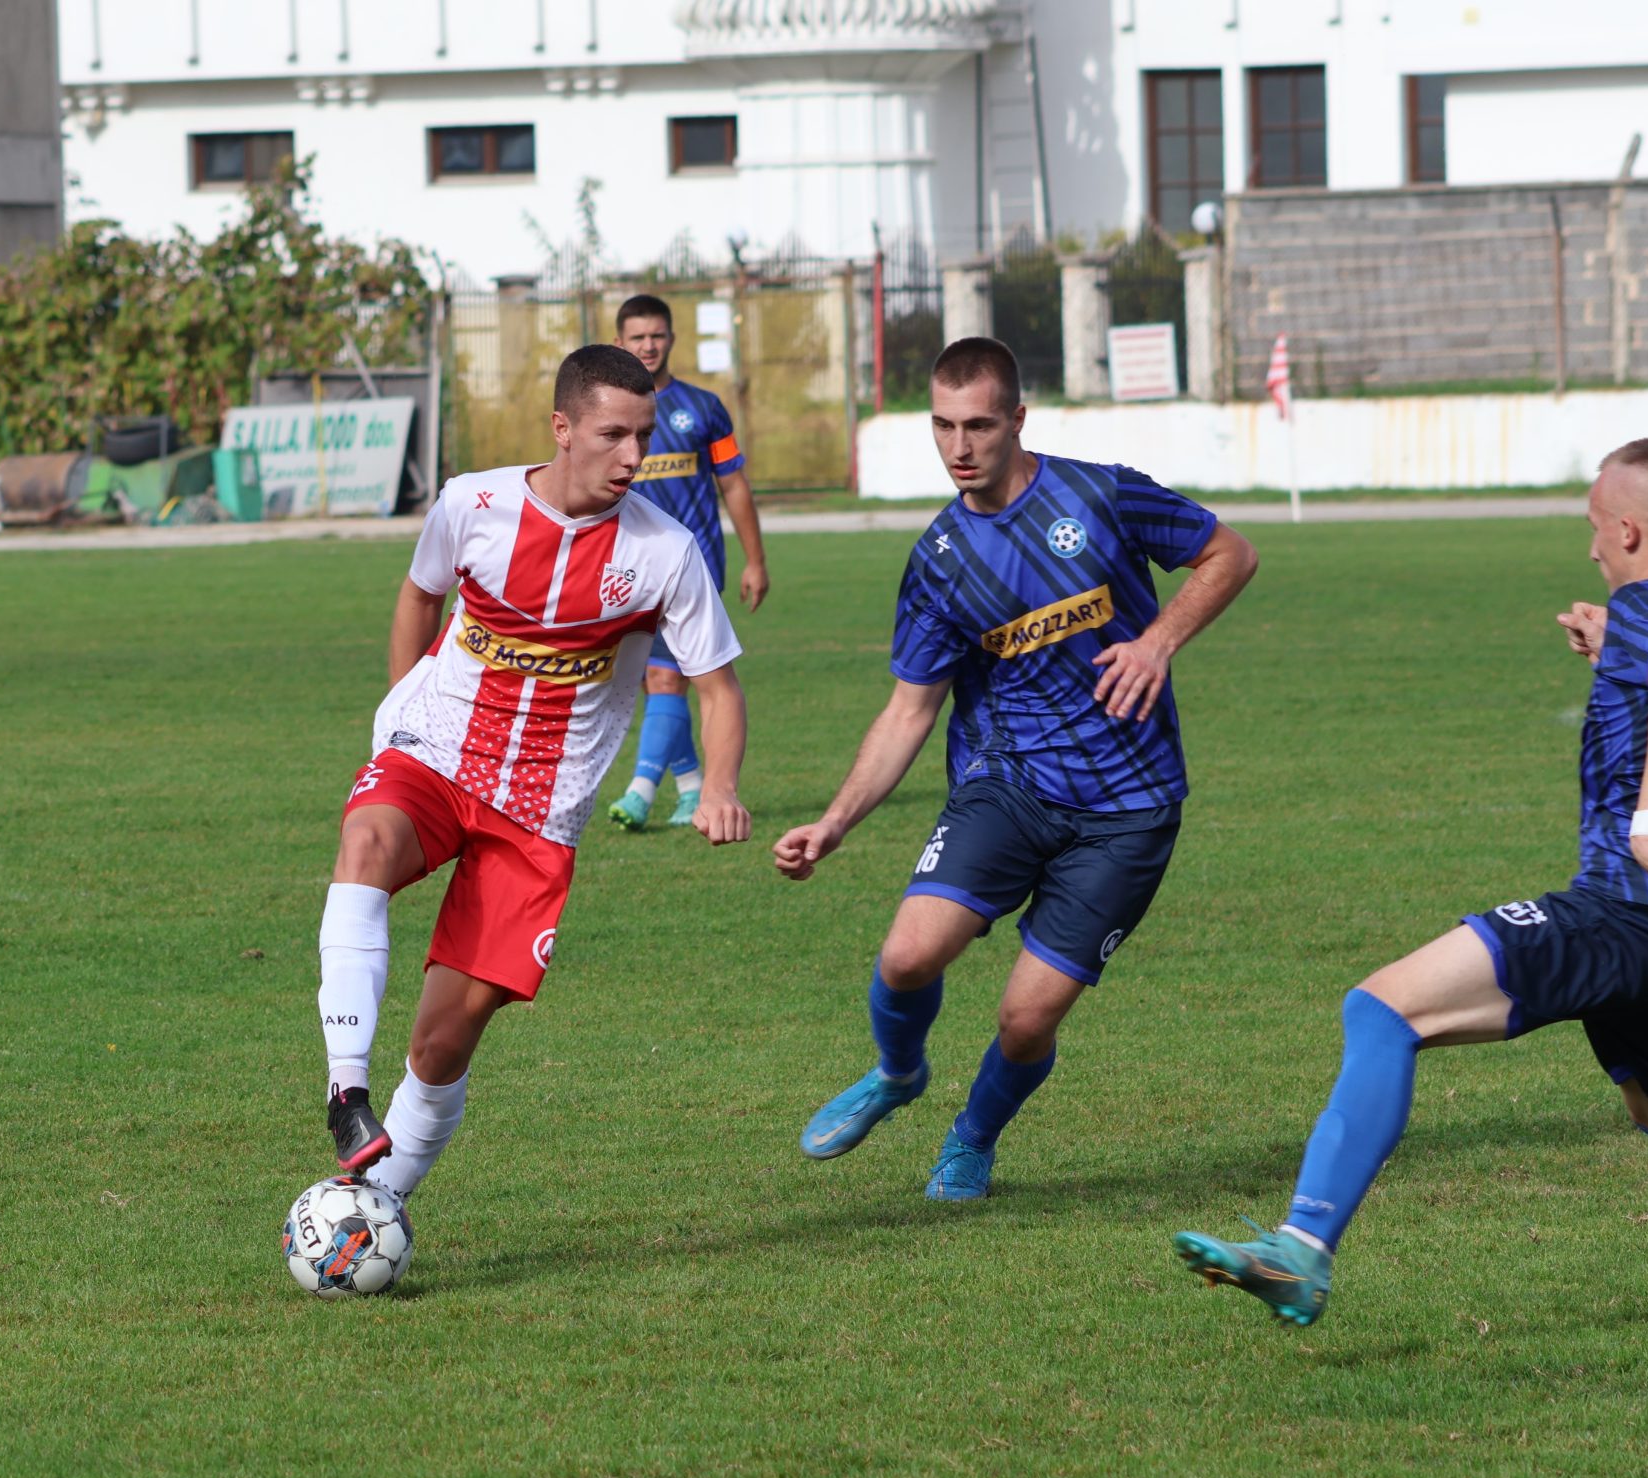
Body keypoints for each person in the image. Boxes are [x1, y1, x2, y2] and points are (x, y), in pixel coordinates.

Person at [1172, 438, 1648, 1326]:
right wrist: (1622, 657)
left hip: (1624, 908)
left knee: (1382, 1010)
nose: (1591, 547)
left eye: (1595, 527)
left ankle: (1300, 1250)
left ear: (1628, 529)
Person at [771, 337, 1258, 1200]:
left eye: (980, 425)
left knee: (1025, 1018)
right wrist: (835, 820)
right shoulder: (939, 561)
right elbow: (910, 708)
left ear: (1019, 419)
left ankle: (972, 1137)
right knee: (907, 956)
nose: (959, 447)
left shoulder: (1100, 496)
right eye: (943, 426)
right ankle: (897, 1072)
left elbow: (1230, 553)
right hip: (1009, 784)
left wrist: (1157, 641)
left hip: (1130, 807)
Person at [316, 345, 752, 1200]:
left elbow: (718, 686)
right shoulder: (471, 503)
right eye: (613, 434)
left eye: (644, 435)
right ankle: (346, 1088)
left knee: (443, 1042)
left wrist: (722, 787)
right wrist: (399, 714)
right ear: (562, 427)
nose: (635, 455)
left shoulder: (665, 551)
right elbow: (421, 595)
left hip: (540, 811)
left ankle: (374, 1208)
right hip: (438, 755)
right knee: (366, 840)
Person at [604, 293, 772, 829]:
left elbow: (733, 485)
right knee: (652, 681)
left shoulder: (703, 408)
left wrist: (755, 560)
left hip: (693, 569)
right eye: (638, 337)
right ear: (619, 343)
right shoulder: (609, 415)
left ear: (672, 339)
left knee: (666, 678)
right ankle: (691, 787)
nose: (648, 345)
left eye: (657, 335)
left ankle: (639, 792)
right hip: (627, 570)